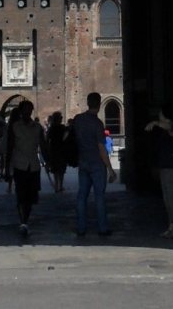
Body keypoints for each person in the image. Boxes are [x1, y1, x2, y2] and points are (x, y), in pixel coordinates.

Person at [71, 91, 115, 237]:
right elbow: (102, 148)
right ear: (100, 104)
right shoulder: (97, 124)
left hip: (83, 162)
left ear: (87, 102)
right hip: (97, 164)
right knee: (99, 197)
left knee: (82, 196)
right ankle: (102, 228)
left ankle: (81, 228)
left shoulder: (78, 119)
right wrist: (110, 169)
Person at [4, 98, 46, 237]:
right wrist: (6, 167)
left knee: (31, 197)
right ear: (21, 112)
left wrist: (48, 161)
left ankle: (25, 220)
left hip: (33, 166)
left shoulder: (37, 127)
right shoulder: (15, 127)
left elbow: (43, 145)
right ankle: (23, 222)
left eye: (30, 110)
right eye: (25, 110)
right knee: (21, 194)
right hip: (19, 165)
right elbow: (10, 147)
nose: (28, 112)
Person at [145, 102, 173, 237]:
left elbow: (169, 126)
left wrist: (156, 123)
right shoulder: (164, 130)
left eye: (161, 112)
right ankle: (172, 224)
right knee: (167, 198)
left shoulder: (172, 126)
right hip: (164, 166)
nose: (159, 115)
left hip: (171, 168)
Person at [44, 111, 69, 192]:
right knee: (61, 169)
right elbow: (65, 138)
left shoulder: (51, 128)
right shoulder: (62, 128)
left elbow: (47, 139)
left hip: (53, 149)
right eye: (60, 117)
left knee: (55, 169)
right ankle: (60, 186)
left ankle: (57, 186)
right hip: (61, 149)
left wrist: (47, 149)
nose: (61, 118)